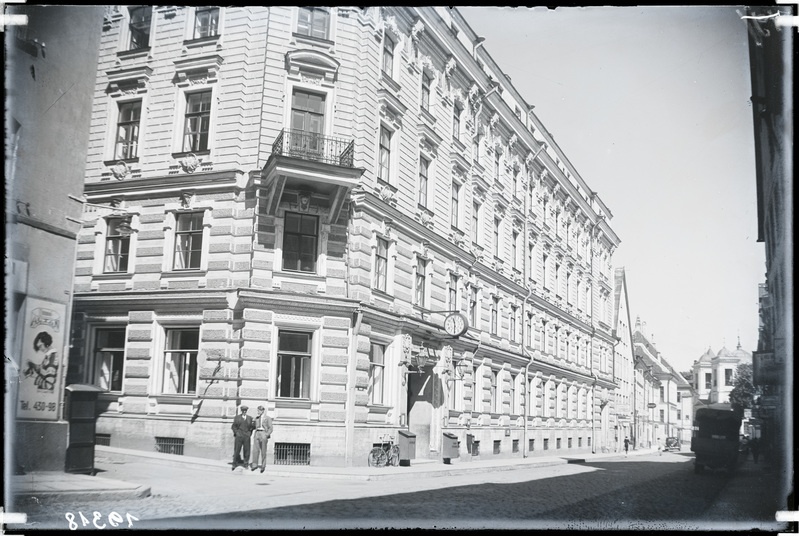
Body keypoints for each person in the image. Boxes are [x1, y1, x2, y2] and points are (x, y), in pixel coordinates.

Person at [250, 405, 274, 473]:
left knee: (263, 450)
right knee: (255, 450)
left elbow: (271, 428)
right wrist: (252, 422)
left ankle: (263, 465)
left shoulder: (267, 418)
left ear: (262, 411)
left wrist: (266, 434)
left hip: (263, 433)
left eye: (259, 410)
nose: (258, 412)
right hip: (257, 433)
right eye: (258, 410)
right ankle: (254, 465)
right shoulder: (257, 418)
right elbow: (254, 426)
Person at [231, 405, 254, 470]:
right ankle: (234, 463)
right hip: (239, 436)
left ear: (246, 411)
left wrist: (249, 433)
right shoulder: (237, 417)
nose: (244, 412)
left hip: (246, 436)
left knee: (247, 450)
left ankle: (246, 463)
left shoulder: (249, 418)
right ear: (241, 411)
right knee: (237, 450)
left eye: (245, 410)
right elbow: (233, 427)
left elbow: (251, 427)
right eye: (243, 410)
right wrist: (237, 433)